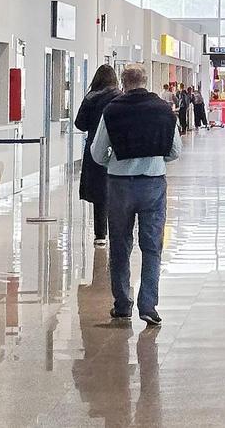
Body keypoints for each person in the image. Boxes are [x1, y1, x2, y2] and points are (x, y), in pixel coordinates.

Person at [91, 63, 182, 327]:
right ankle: (148, 306)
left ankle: (122, 304)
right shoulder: (164, 111)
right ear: (146, 81)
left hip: (119, 186)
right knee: (152, 245)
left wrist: (116, 163)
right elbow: (174, 151)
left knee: (120, 245)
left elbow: (98, 153)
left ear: (123, 82)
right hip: (153, 185)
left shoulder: (112, 110)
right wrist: (154, 159)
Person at [74, 64, 121, 247]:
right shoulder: (119, 97)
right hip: (117, 147)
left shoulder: (90, 98)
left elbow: (80, 124)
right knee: (117, 189)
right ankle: (117, 231)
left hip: (95, 146)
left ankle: (100, 234)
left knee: (100, 193)